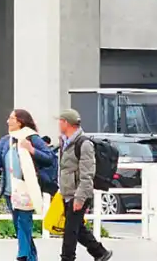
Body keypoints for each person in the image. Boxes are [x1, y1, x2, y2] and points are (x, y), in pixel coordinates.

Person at [0, 109, 58, 261]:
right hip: (9, 191)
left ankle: (22, 256)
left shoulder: (31, 138)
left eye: (11, 118)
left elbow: (50, 158)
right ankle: (31, 257)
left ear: (19, 122)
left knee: (24, 222)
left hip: (27, 189)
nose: (8, 121)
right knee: (20, 225)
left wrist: (31, 149)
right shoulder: (5, 140)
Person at [56, 109, 113, 261]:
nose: (58, 124)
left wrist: (80, 198)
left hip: (79, 194)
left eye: (60, 121)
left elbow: (87, 174)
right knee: (78, 229)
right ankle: (100, 252)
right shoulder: (65, 142)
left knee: (70, 231)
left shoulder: (84, 144)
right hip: (68, 193)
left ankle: (67, 258)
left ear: (66, 123)